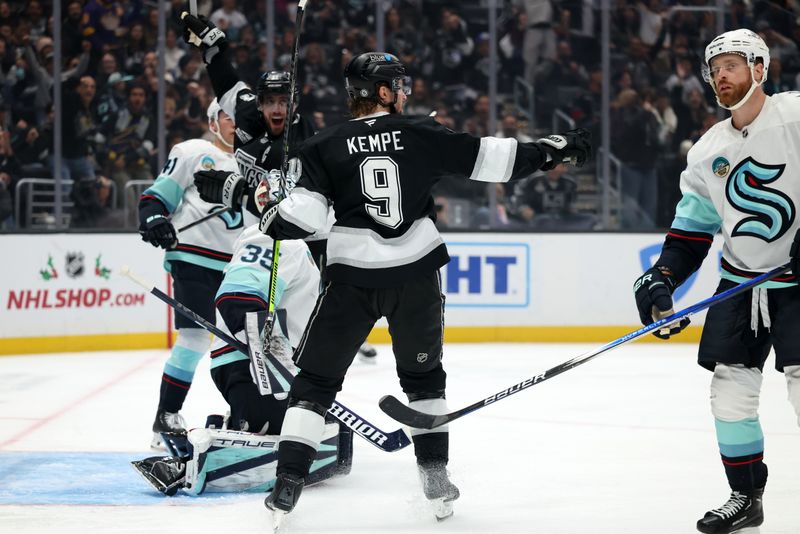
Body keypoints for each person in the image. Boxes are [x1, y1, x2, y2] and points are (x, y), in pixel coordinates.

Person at [255, 52, 591, 521]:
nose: (406, 92)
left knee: (315, 382)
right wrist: (553, 149)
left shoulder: (321, 145)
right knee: (424, 378)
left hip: (350, 278)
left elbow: (303, 218)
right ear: (385, 93)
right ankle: (435, 476)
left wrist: (273, 212)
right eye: (399, 85)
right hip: (415, 276)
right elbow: (496, 161)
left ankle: (288, 481)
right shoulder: (420, 132)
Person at [631, 29, 800, 534]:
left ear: (760, 68)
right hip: (741, 286)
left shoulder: (795, 116)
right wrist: (662, 278)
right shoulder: (707, 150)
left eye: (731, 64)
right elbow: (690, 233)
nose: (720, 76)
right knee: (729, 395)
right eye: (714, 68)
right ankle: (745, 498)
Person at [181, 12, 378, 360]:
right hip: (264, 232)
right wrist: (213, 48)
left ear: (295, 104)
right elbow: (226, 83)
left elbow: (284, 206)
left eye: (284, 101)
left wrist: (236, 190)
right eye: (270, 101)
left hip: (309, 231)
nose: (277, 108)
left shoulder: (304, 143)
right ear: (258, 104)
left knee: (314, 305)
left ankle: (314, 357)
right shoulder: (245, 112)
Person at [133, 214, 353, 498]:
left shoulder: (300, 248)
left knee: (335, 442)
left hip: (271, 369)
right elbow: (237, 296)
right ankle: (191, 463)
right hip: (252, 369)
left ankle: (240, 423)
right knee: (309, 447)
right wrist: (270, 346)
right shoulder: (277, 237)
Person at [137, 99, 242, 447]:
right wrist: (153, 218)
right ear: (213, 122)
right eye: (228, 116)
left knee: (249, 344)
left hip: (243, 265)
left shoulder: (259, 163)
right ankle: (165, 417)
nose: (235, 122)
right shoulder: (193, 151)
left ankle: (246, 412)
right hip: (195, 257)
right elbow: (156, 198)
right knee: (195, 339)